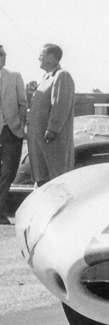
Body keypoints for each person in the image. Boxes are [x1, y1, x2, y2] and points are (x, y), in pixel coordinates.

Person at [28, 43, 75, 187]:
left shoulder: (61, 76)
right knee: (42, 180)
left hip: (52, 142)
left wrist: (53, 129)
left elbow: (61, 104)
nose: (39, 58)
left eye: (42, 55)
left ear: (52, 57)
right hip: (41, 141)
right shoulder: (45, 78)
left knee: (55, 180)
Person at [0, 45, 27, 224]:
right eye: (1, 54)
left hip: (11, 132)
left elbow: (23, 103)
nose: (4, 57)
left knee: (8, 172)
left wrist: (20, 124)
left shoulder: (15, 76)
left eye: (4, 54)